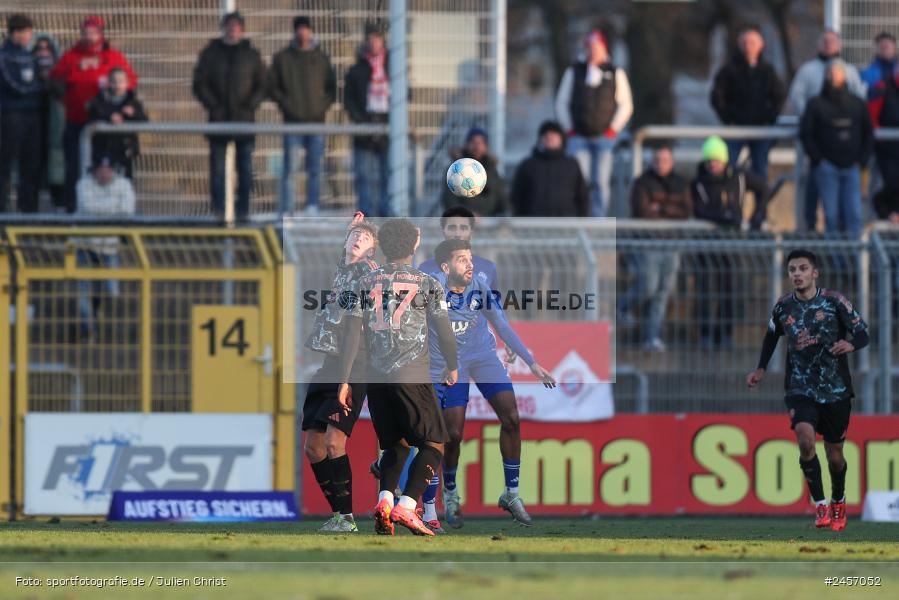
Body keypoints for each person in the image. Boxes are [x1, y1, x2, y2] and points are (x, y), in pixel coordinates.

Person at [336, 218, 458, 537]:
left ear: (384, 245)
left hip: (376, 377)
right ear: (414, 245)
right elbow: (445, 332)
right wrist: (453, 365)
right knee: (434, 445)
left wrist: (345, 379)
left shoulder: (363, 282)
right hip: (412, 374)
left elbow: (351, 334)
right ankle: (407, 505)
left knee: (396, 446)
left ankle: (384, 503)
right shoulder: (428, 283)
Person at [425, 239, 556, 530]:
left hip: (482, 356)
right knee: (453, 434)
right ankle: (450, 493)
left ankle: (511, 493)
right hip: (450, 365)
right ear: (446, 267)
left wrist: (531, 363)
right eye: (462, 259)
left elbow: (502, 324)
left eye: (470, 258)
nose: (470, 264)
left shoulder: (479, 287)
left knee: (511, 417)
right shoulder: (432, 289)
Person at [747, 249, 869, 532]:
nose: (797, 274)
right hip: (800, 386)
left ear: (815, 273)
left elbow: (862, 332)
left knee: (835, 457)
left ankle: (838, 498)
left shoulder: (834, 301)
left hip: (836, 389)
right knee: (804, 439)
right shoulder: (782, 307)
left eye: (802, 268)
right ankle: (821, 504)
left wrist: (851, 344)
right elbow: (770, 336)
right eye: (792, 270)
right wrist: (761, 369)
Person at [301, 213, 378, 533]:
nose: (358, 239)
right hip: (329, 365)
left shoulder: (365, 272)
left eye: (365, 238)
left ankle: (346, 518)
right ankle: (339, 515)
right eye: (354, 236)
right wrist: (348, 234)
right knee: (312, 447)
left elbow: (354, 331)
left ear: (372, 251)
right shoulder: (345, 271)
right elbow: (344, 261)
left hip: (353, 364)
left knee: (334, 443)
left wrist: (346, 379)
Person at [50, 15, 137, 213]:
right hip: (77, 123)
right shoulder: (72, 56)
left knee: (109, 172)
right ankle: (74, 213)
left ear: (101, 34)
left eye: (93, 33)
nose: (89, 37)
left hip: (104, 127)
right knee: (74, 169)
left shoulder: (113, 56)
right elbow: (55, 79)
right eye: (86, 33)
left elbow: (130, 82)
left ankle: (117, 216)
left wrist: (120, 108)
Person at [692, 136, 768, 348]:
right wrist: (723, 217)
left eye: (716, 160)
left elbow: (763, 188)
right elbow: (698, 209)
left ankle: (725, 334)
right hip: (707, 243)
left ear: (724, 160)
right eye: (709, 161)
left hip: (733, 242)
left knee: (731, 289)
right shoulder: (698, 182)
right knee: (706, 289)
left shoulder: (739, 177)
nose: (712, 164)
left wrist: (757, 215)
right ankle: (706, 335)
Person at [192, 11, 266, 221]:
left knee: (245, 169)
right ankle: (219, 210)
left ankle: (243, 211)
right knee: (218, 170)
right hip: (218, 120)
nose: (232, 30)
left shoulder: (251, 54)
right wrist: (214, 106)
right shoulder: (211, 53)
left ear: (242, 29)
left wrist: (249, 106)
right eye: (229, 26)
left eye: (236, 26)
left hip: (244, 121)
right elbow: (199, 83)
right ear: (224, 28)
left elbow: (262, 84)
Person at [789, 30, 866, 231]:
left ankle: (853, 258)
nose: (828, 45)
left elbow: (862, 111)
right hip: (821, 154)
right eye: (824, 41)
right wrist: (811, 118)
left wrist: (861, 158)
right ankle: (813, 236)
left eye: (832, 41)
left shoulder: (850, 71)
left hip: (848, 160)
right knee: (820, 204)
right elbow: (796, 97)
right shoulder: (808, 71)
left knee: (851, 213)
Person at [619, 146, 692, 351]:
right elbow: (642, 211)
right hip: (648, 243)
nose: (661, 164)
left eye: (665, 159)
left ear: (672, 161)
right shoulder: (642, 182)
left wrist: (660, 207)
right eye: (657, 159)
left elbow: (686, 211)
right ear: (652, 161)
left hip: (672, 244)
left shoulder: (680, 183)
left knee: (662, 293)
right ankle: (622, 307)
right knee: (649, 285)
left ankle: (653, 337)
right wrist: (671, 209)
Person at [554, 29, 633, 217]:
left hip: (604, 138)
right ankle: (580, 218)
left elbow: (626, 104)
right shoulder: (574, 71)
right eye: (589, 47)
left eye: (596, 47)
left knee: (601, 182)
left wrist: (613, 129)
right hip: (578, 137)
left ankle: (598, 222)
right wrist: (569, 129)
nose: (592, 52)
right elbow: (561, 102)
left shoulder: (615, 72)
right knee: (578, 180)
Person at [269, 16, 336, 216]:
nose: (303, 33)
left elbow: (331, 89)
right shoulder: (283, 58)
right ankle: (287, 209)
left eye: (306, 29)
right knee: (290, 169)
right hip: (292, 123)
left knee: (315, 168)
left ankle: (312, 207)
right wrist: (287, 105)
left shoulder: (321, 58)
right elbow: (273, 86)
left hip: (316, 122)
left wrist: (320, 108)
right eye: (299, 29)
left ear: (311, 31)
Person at [800, 61, 873, 237]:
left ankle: (855, 260)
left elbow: (868, 133)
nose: (833, 76)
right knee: (831, 216)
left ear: (844, 75)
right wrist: (819, 160)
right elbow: (806, 133)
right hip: (827, 168)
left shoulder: (857, 104)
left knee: (853, 216)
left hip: (852, 168)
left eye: (837, 72)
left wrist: (861, 161)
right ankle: (834, 260)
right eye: (830, 72)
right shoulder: (816, 104)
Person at [710, 25, 786, 179]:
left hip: (761, 129)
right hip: (735, 128)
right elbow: (716, 96)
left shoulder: (767, 71)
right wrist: (728, 118)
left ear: (761, 45)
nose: (748, 47)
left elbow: (779, 96)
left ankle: (760, 203)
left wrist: (769, 118)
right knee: (728, 168)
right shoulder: (729, 70)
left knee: (760, 171)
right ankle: (730, 201)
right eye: (745, 43)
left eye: (752, 43)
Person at [75, 156, 135, 341]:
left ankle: (101, 317)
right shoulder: (83, 184)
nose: (104, 173)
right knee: (83, 292)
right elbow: (86, 207)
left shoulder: (123, 184)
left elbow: (127, 211)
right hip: (84, 244)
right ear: (94, 171)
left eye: (108, 169)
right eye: (100, 169)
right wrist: (113, 209)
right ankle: (87, 331)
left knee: (111, 290)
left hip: (109, 246)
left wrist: (101, 211)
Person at [344, 23, 391, 217]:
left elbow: (405, 94)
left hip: (387, 127)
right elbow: (349, 99)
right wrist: (360, 120)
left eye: (377, 38)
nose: (374, 42)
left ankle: (386, 210)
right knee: (363, 174)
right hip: (364, 127)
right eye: (370, 38)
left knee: (387, 173)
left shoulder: (392, 68)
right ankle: (366, 214)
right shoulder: (357, 69)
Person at [0, 14, 44, 213]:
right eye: (27, 32)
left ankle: (29, 213)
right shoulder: (4, 57)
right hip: (11, 117)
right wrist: (40, 88)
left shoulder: (29, 56)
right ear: (15, 33)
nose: (29, 36)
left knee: (31, 166)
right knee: (5, 166)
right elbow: (16, 86)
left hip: (32, 118)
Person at [510, 120, 589, 217]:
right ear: (540, 139)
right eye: (545, 134)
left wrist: (582, 220)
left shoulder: (572, 165)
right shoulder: (527, 165)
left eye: (554, 134)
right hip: (532, 225)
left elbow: (582, 196)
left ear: (561, 139)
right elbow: (517, 197)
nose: (549, 136)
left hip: (566, 225)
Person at [87, 67, 148, 179]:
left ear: (127, 83)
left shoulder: (132, 100)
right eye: (114, 81)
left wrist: (133, 113)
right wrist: (109, 117)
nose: (117, 85)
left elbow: (145, 120)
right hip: (104, 150)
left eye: (121, 81)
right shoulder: (101, 99)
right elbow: (93, 113)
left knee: (125, 183)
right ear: (109, 83)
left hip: (125, 151)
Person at [862, 32, 899, 202]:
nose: (886, 49)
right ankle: (877, 216)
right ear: (875, 48)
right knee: (878, 180)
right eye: (882, 46)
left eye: (889, 45)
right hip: (880, 139)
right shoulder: (868, 74)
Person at [440, 127, 508, 216]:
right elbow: (449, 199)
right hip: (463, 225)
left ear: (486, 146)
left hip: (489, 225)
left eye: (480, 143)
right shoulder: (456, 170)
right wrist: (466, 214)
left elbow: (501, 197)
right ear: (467, 144)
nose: (477, 146)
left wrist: (504, 215)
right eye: (474, 142)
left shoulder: (492, 170)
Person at [33, 33, 66, 210]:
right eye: (39, 49)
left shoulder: (62, 76)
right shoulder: (22, 76)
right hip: (31, 136)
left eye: (47, 49)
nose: (43, 53)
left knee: (58, 179)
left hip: (56, 137)